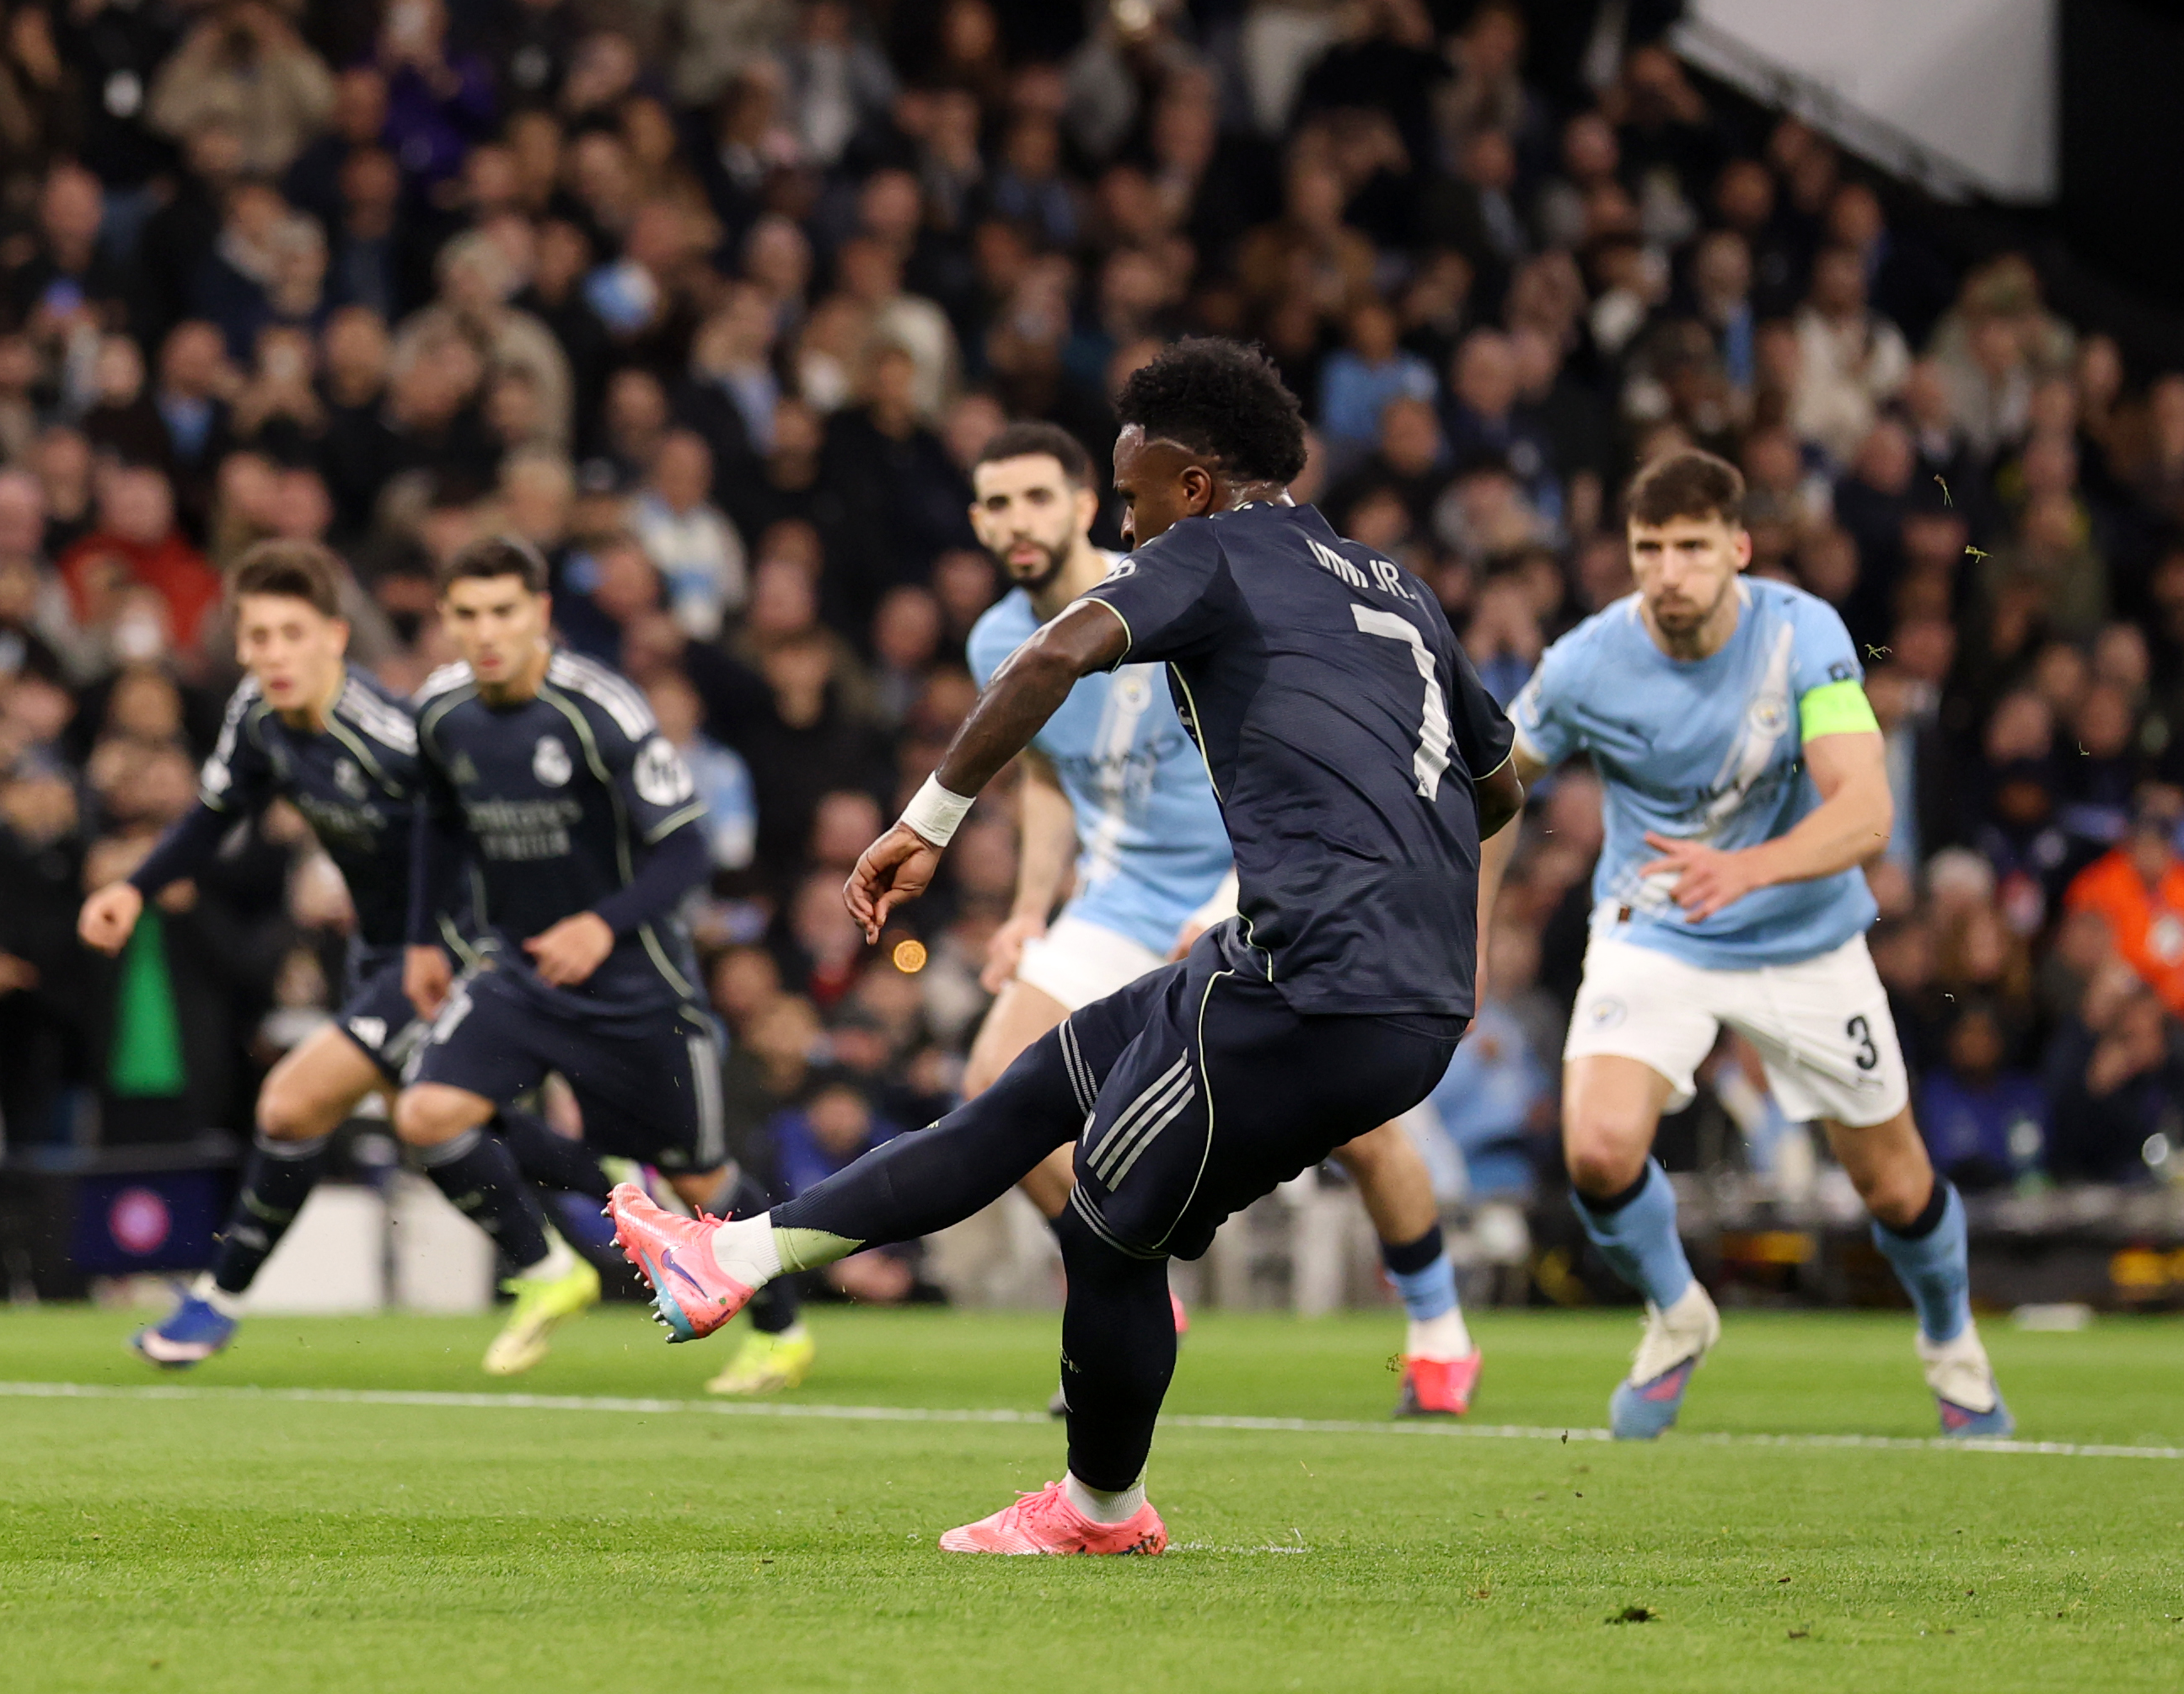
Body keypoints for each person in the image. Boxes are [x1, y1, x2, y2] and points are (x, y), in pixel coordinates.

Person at [609, 340, 1525, 1553]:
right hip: (1338, 967)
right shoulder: (1391, 579)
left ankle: (1102, 1509)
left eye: (1132, 496)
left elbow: (1054, 653)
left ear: (1194, 485)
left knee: (1103, 1227)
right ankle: (728, 1255)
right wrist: (1446, 928)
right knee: (1023, 1089)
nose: (1127, 522)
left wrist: (924, 821)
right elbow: (1501, 780)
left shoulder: (1206, 553)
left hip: (1315, 987)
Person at [958, 421, 1483, 1416]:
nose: (1015, 521)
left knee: (1361, 1129)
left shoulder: (1178, 575)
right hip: (1117, 895)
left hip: (1247, 875)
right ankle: (1121, 1290)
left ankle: (1439, 1330)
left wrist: (1224, 902)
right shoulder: (997, 638)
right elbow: (1049, 782)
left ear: (1082, 505)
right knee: (994, 1082)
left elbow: (1264, 731)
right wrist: (1029, 908)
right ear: (977, 520)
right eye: (995, 502)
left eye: (1037, 497)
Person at [1501, 448, 2010, 1439]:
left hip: (1800, 935)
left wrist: (1751, 867)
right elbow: (1496, 784)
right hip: (1659, 922)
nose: (1669, 569)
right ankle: (1679, 1313)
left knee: (1894, 1182)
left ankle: (1952, 1341)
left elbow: (1866, 811)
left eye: (1692, 546)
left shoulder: (1800, 633)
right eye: (1650, 547)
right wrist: (1468, 932)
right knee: (1599, 1149)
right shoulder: (1585, 661)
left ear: (1737, 547)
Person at [94, 541, 631, 1370]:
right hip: (381, 949)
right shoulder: (257, 714)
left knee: (289, 1102)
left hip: (447, 946)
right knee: (440, 1119)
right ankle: (621, 1199)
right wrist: (136, 886)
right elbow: (211, 815)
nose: (271, 652)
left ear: (335, 637)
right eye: (257, 634)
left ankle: (217, 1302)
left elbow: (472, 832)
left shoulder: (389, 734)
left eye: (290, 633)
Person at [399, 535, 818, 1397]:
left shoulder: (600, 708)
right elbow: (437, 827)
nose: (487, 632)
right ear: (445, 619)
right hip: (519, 969)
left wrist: (600, 922)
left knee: (703, 1175)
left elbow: (687, 847)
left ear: (541, 614)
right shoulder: (441, 711)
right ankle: (549, 1266)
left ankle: (782, 1331)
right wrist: (421, 938)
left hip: (636, 981)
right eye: (468, 614)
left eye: (505, 612)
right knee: (429, 1111)